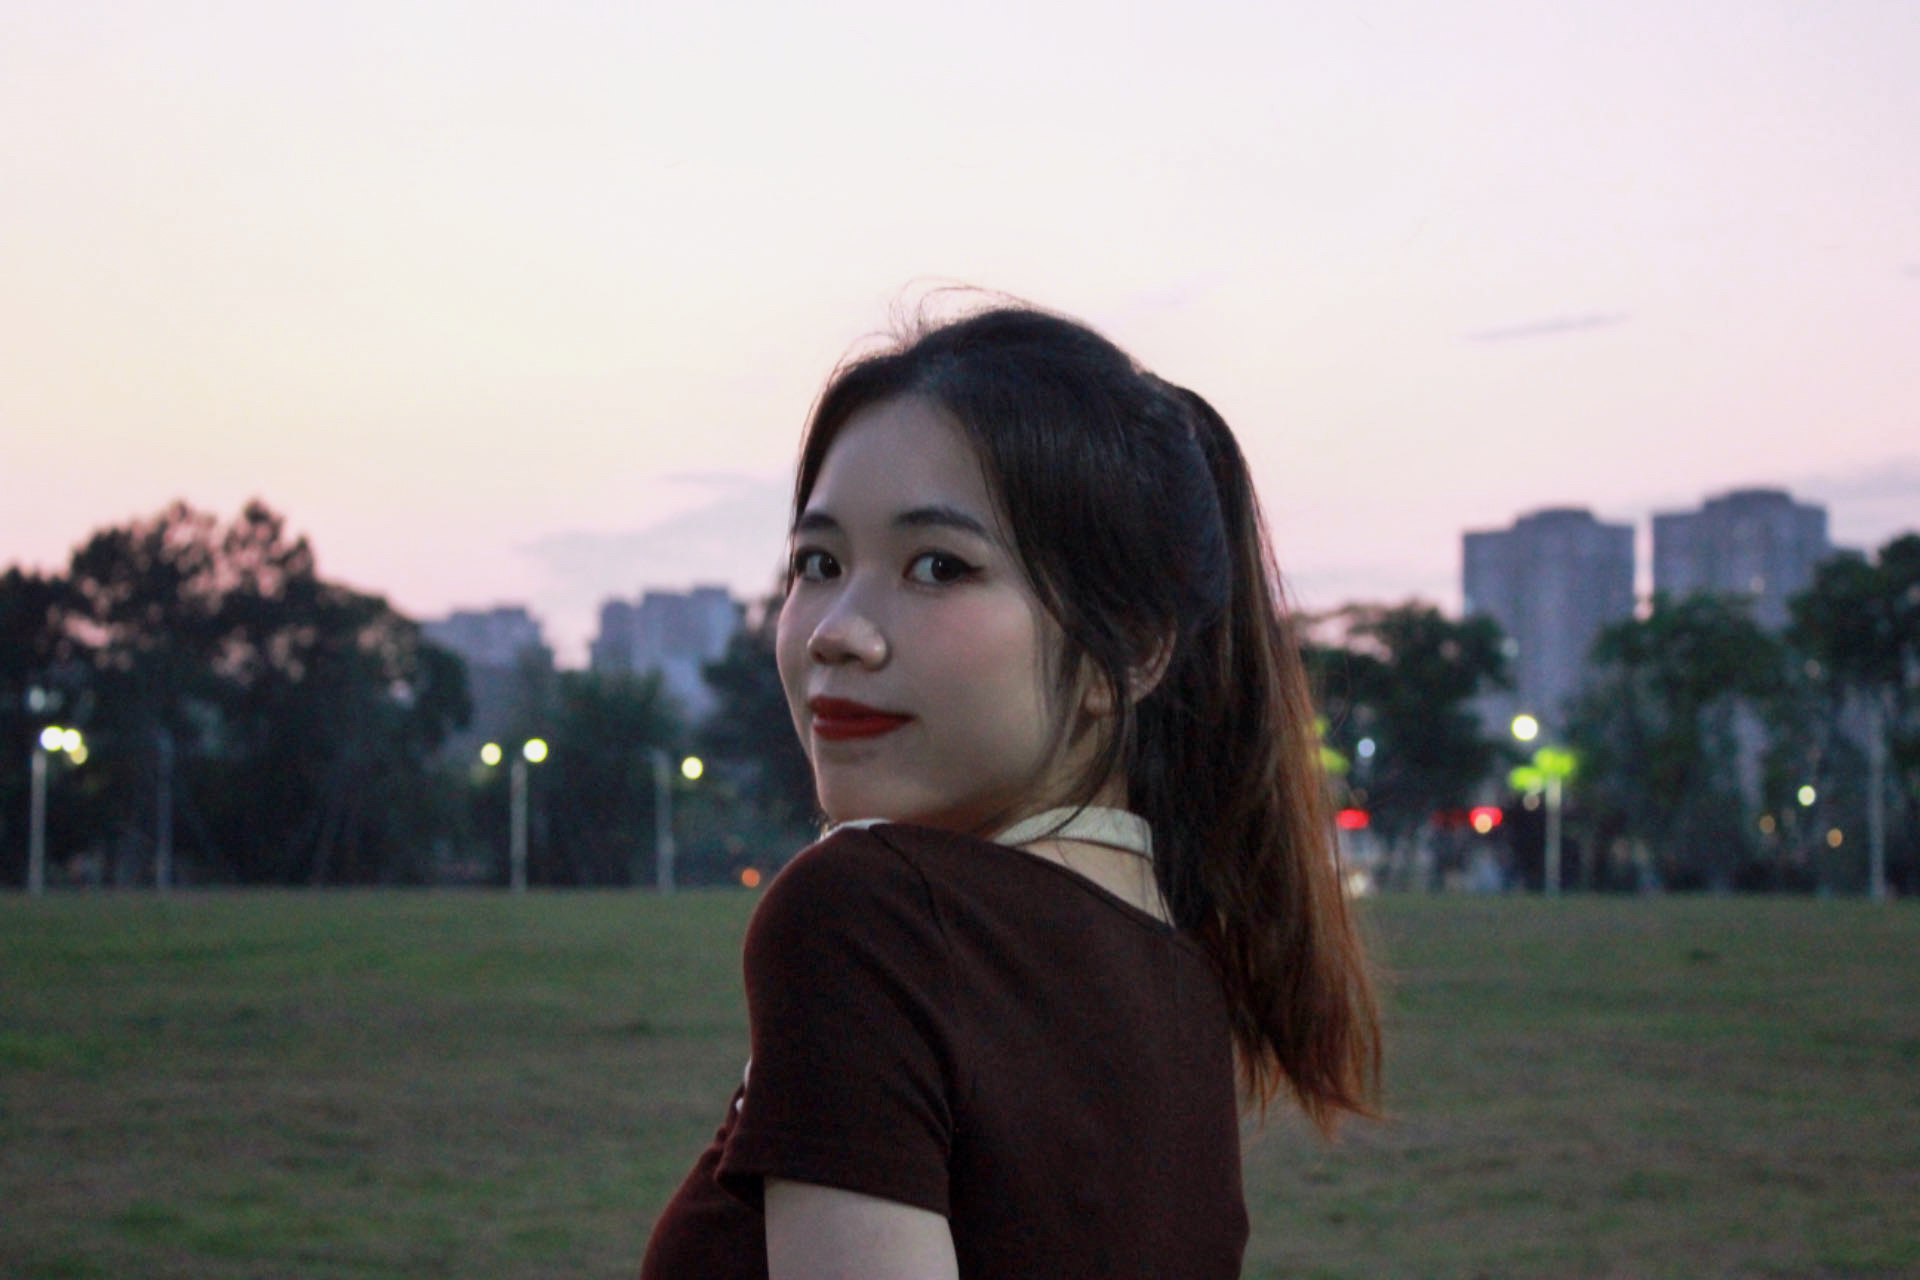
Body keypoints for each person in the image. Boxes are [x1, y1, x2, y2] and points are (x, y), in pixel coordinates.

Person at [639, 303, 1380, 1279]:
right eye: (818, 563)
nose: (836, 631)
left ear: (1133, 649)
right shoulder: (1181, 975)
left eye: (938, 566)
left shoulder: (869, 913)